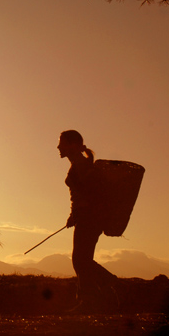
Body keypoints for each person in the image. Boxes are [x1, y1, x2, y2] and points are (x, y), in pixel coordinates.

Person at [58, 130, 118, 311]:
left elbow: (89, 194)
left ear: (73, 145)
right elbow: (81, 194)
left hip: (89, 218)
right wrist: (73, 214)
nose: (58, 146)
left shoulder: (81, 166)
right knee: (82, 259)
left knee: (80, 259)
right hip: (88, 217)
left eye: (62, 142)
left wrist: (77, 213)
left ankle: (93, 297)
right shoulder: (79, 164)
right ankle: (96, 295)